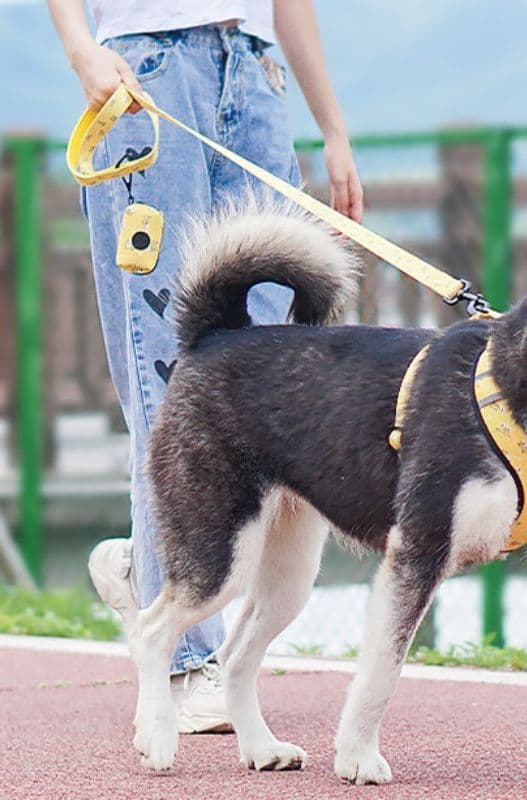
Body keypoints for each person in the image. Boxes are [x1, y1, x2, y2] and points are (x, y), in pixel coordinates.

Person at [47, 0, 363, 733]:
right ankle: (187, 658)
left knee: (275, 382)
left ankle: (149, 572)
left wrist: (334, 128)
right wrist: (80, 51)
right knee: (171, 379)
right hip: (146, 72)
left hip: (253, 77)